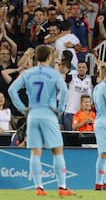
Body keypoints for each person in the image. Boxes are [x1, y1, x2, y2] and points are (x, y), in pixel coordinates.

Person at [8, 45, 73, 196]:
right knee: (57, 151)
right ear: (49, 57)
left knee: (35, 153)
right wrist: (61, 108)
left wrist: (22, 108)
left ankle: (39, 188)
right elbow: (64, 91)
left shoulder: (27, 73)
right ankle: (62, 187)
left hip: (32, 114)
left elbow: (12, 90)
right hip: (49, 113)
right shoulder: (54, 74)